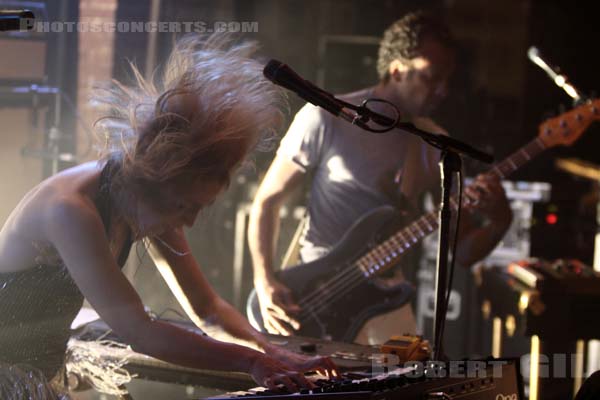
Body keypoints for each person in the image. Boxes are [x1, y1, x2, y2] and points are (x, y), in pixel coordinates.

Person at [0, 35, 337, 399]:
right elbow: (139, 331)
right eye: (184, 207)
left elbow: (207, 309)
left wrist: (271, 353)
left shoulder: (138, 195)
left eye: (199, 209)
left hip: (34, 379)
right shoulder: (70, 211)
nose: (189, 222)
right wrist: (249, 362)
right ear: (154, 182)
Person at [248, 11, 513, 344]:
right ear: (398, 69)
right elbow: (267, 200)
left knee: (405, 389)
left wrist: (501, 220)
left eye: (447, 79)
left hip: (386, 297)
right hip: (313, 295)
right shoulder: (326, 117)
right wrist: (264, 278)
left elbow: (462, 253)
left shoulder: (435, 145)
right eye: (432, 77)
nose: (443, 90)